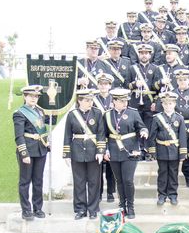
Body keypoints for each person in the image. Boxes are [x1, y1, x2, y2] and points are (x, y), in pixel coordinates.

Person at [103, 88, 148, 219]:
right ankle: (122, 206)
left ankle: (131, 206)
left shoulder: (133, 113)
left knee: (128, 180)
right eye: (122, 101)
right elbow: (103, 134)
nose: (125, 104)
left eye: (126, 101)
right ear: (114, 101)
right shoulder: (107, 115)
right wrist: (105, 149)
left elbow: (142, 126)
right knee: (119, 181)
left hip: (130, 150)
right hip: (113, 150)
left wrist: (144, 131)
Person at [155, 69, 189, 188]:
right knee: (178, 153)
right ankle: (177, 177)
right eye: (180, 80)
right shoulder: (171, 93)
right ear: (176, 80)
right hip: (174, 128)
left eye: (185, 79)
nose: (182, 82)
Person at [63, 89, 105, 220]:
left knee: (94, 182)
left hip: (93, 152)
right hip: (77, 151)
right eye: (87, 100)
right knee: (79, 182)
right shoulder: (72, 115)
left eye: (91, 100)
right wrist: (67, 154)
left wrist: (100, 151)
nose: (90, 102)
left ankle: (93, 209)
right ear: (79, 101)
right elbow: (67, 135)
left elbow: (101, 134)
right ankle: (80, 209)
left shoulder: (97, 113)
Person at [13, 85, 49, 221]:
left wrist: (55, 103)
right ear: (25, 97)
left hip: (41, 149)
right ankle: (26, 210)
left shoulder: (40, 111)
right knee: (25, 181)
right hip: (27, 149)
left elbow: (47, 124)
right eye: (31, 96)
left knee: (38, 181)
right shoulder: (20, 113)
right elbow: (19, 136)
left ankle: (38, 208)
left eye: (36, 96)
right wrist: (24, 153)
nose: (34, 99)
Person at [147, 92, 188, 205]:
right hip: (161, 150)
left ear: (174, 104)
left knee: (173, 173)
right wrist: (153, 151)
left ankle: (173, 194)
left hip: (174, 150)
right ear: (162, 104)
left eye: (170, 103)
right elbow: (152, 136)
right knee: (162, 173)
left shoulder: (179, 118)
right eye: (166, 104)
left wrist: (182, 153)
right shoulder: (157, 118)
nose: (168, 106)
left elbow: (182, 137)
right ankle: (162, 195)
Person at [94, 72, 116, 202]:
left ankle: (110, 192)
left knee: (111, 167)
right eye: (101, 84)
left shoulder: (115, 98)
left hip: (111, 134)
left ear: (110, 85)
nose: (103, 86)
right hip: (97, 135)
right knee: (98, 166)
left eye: (106, 84)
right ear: (98, 85)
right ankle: (99, 191)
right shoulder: (93, 99)